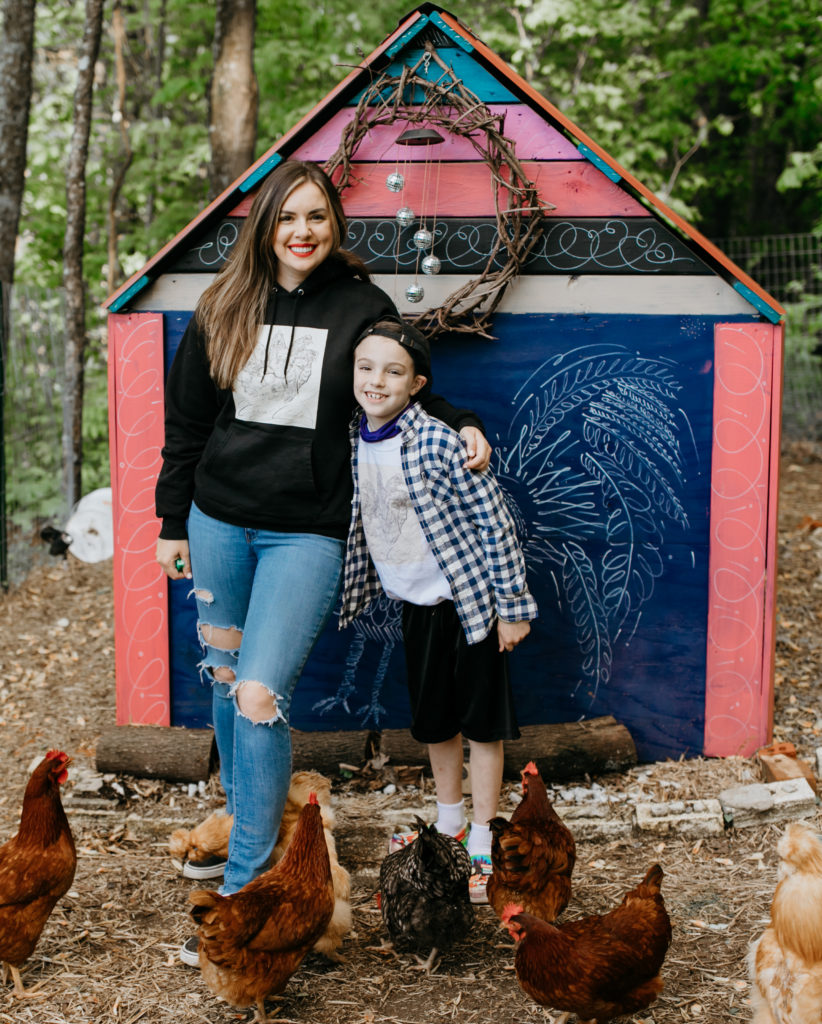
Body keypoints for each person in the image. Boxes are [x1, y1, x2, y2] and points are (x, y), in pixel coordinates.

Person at [153, 160, 491, 965]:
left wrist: (465, 420)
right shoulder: (223, 304)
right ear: (265, 225)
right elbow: (187, 425)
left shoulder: (359, 306)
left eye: (316, 217)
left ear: (333, 225)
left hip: (307, 530)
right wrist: (173, 523)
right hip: (218, 524)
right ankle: (243, 821)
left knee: (263, 696)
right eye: (287, 218)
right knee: (228, 684)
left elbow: (399, 384)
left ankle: (244, 883)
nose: (302, 231)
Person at [339, 318, 537, 904]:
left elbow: (495, 523)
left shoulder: (435, 440)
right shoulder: (354, 435)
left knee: (480, 723)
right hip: (416, 605)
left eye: (394, 371)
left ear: (417, 383)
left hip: (469, 604)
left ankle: (482, 832)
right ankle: (448, 818)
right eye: (366, 367)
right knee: (435, 721)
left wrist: (512, 608)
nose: (377, 380)